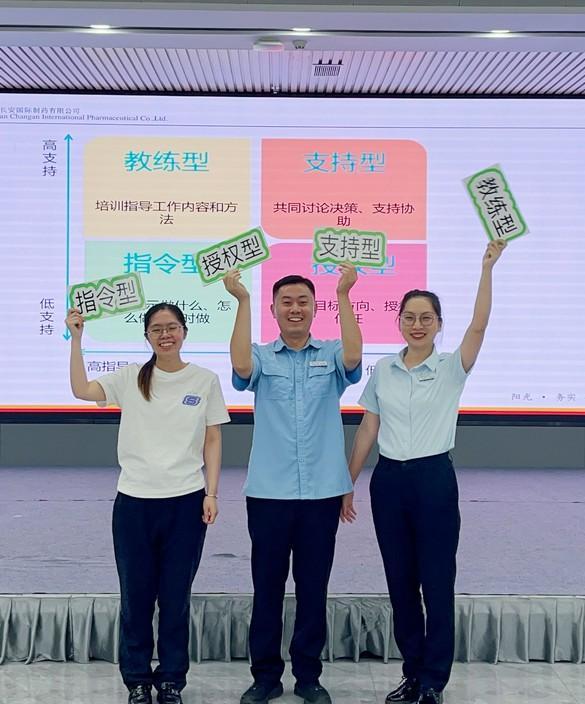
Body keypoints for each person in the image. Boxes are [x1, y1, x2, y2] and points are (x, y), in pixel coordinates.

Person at [341, 240, 507, 704]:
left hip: (433, 480)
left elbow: (479, 324)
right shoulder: (383, 370)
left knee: (436, 582)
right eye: (410, 317)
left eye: (426, 318)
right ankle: (412, 673)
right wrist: (347, 483)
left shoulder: (452, 367)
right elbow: (368, 429)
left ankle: (434, 680)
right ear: (399, 322)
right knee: (400, 583)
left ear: (438, 324)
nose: (417, 325)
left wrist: (487, 268)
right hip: (389, 482)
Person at [65, 302, 230, 704]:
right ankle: (137, 679)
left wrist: (211, 492)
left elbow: (212, 439)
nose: (165, 335)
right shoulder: (130, 378)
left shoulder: (204, 380)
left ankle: (171, 679)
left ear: (184, 331)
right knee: (135, 598)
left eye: (172, 327)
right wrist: (76, 339)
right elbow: (82, 390)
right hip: (134, 504)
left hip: (186, 503)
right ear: (147, 336)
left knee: (175, 599)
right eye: (156, 329)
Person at [223, 265, 363, 704]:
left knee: (312, 588)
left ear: (315, 308)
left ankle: (308, 676)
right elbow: (240, 365)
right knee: (267, 588)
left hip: (321, 493)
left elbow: (354, 359)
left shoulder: (332, 354)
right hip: (269, 492)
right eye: (286, 302)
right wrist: (242, 300)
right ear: (274, 310)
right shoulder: (262, 357)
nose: (295, 308)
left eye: (303, 301)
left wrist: (344, 294)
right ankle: (265, 677)